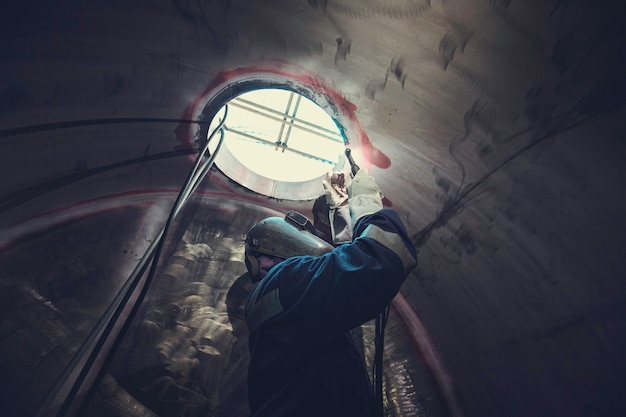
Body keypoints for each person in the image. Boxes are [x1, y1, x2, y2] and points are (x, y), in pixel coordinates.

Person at [243, 168, 418, 417]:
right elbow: (381, 260)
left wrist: (342, 214)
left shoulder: (282, 301)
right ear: (265, 261)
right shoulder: (284, 280)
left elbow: (341, 286)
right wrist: (366, 205)